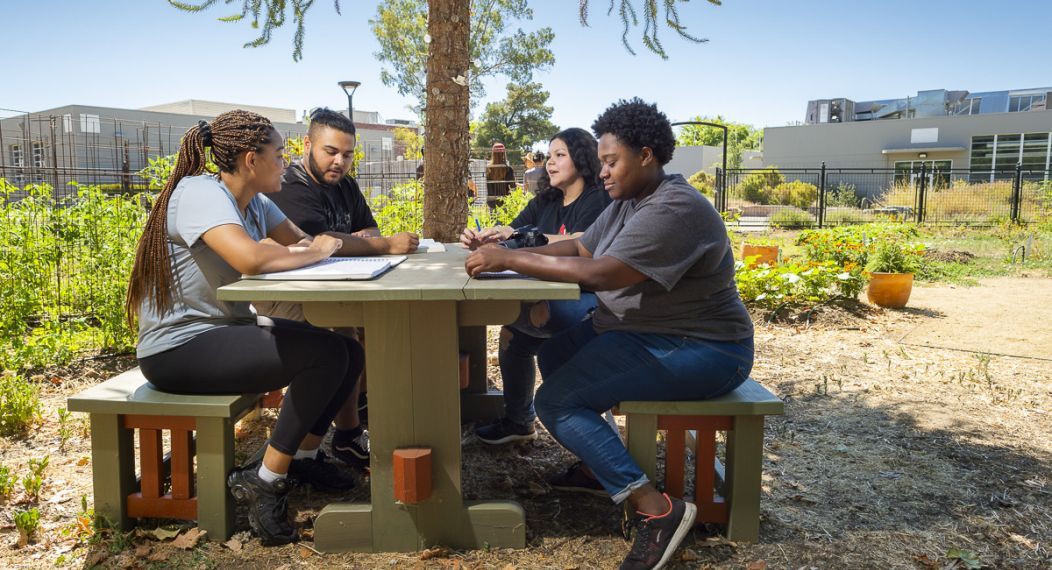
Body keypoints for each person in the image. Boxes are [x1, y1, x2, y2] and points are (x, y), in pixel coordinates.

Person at [464, 99, 754, 569]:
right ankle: (601, 464)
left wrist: (510, 261)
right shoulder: (629, 200)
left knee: (555, 402)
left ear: (646, 155)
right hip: (641, 332)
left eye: (610, 161)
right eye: (600, 162)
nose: (602, 172)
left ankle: (656, 509)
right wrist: (513, 241)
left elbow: (600, 273)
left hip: (705, 348)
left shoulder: (675, 208)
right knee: (555, 355)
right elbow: (579, 245)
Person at [126, 110, 364, 546]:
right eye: (278, 154)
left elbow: (303, 242)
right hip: (178, 348)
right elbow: (253, 259)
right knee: (325, 356)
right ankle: (264, 479)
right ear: (252, 160)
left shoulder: (256, 199)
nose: (285, 161)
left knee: (346, 350)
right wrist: (317, 251)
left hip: (222, 331)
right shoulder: (200, 193)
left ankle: (304, 457)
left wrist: (324, 247)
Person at [257, 108, 419, 468]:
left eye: (347, 154)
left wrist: (352, 242)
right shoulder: (290, 186)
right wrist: (373, 244)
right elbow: (319, 244)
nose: (340, 162)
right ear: (307, 145)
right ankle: (346, 433)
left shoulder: (345, 185)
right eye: (330, 151)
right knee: (345, 330)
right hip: (286, 296)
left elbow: (367, 232)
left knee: (385, 320)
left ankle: (363, 414)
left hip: (333, 284)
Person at [461, 128, 611, 445]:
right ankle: (519, 420)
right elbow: (513, 231)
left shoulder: (597, 198)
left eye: (560, 156)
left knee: (534, 315)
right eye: (549, 157)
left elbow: (584, 243)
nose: (550, 164)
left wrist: (524, 245)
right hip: (546, 292)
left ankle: (577, 422)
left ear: (582, 159)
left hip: (589, 297)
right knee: (513, 332)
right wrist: (488, 238)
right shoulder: (547, 199)